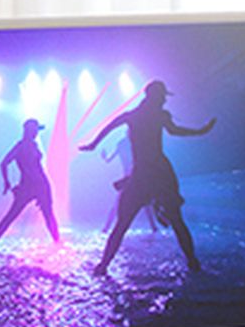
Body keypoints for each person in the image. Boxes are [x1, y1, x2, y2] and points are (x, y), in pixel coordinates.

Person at [84, 79, 211, 275]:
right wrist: (200, 131)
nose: (164, 101)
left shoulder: (134, 116)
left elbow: (110, 126)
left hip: (144, 173)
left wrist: (94, 143)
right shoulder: (158, 115)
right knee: (175, 220)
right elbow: (175, 131)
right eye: (162, 96)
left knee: (123, 224)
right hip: (158, 173)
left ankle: (103, 266)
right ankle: (193, 262)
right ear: (153, 96)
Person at [0, 117, 61, 249]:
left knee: (45, 214)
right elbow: (3, 163)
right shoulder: (20, 146)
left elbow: (4, 163)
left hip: (37, 184)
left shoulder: (30, 145)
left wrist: (7, 182)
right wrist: (6, 182)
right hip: (31, 185)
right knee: (40, 214)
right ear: (30, 130)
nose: (37, 133)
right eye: (36, 130)